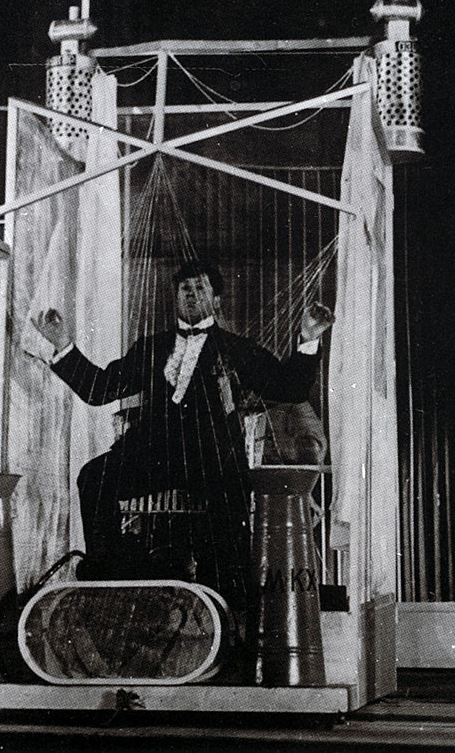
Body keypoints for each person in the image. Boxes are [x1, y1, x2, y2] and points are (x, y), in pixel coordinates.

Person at [31, 260, 333, 614]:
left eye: (200, 288)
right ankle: (111, 581)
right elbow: (99, 389)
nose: (191, 295)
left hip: (213, 460)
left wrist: (308, 338)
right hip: (154, 455)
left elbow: (289, 387)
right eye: (184, 289)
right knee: (94, 478)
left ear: (216, 300)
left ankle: (223, 609)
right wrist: (62, 343)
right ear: (175, 297)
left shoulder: (236, 349)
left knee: (227, 523)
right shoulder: (151, 348)